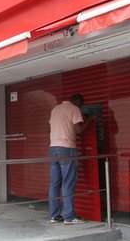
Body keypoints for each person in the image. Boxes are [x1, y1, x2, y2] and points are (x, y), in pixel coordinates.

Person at [48, 93, 96, 225]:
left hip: (53, 148)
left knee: (54, 183)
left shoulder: (55, 109)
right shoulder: (74, 109)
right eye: (82, 105)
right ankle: (69, 217)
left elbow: (49, 129)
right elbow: (79, 130)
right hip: (67, 148)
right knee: (68, 182)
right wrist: (90, 119)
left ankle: (54, 215)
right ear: (78, 102)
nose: (81, 108)